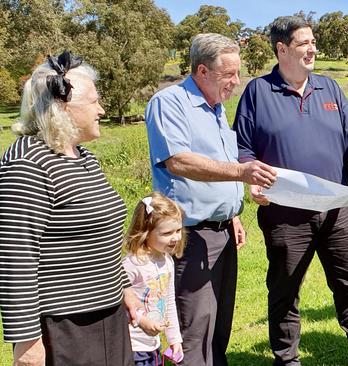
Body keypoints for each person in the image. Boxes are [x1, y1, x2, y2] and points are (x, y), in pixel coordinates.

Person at [232, 16, 348, 366]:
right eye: (304, 43)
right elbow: (244, 150)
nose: (312, 49)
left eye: (313, 42)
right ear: (282, 49)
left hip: (337, 210)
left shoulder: (330, 88)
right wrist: (253, 184)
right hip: (284, 213)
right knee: (285, 288)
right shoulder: (257, 93)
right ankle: (287, 358)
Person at [144, 33, 277, 366]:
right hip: (190, 235)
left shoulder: (216, 109)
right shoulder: (169, 102)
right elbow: (178, 161)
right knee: (193, 328)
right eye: (228, 74)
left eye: (237, 73)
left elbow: (217, 168)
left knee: (218, 324)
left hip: (222, 233)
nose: (236, 82)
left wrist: (232, 212)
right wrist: (241, 173)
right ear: (202, 71)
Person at [0, 51, 138, 365]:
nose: (102, 109)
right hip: (64, 326)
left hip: (109, 314)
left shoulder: (85, 159)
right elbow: (15, 258)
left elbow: (100, 237)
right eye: (94, 101)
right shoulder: (26, 163)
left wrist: (124, 288)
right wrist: (27, 343)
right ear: (63, 105)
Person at [123, 192, 186, 366]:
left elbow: (169, 302)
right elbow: (119, 303)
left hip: (153, 344)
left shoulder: (167, 260)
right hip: (133, 346)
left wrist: (174, 338)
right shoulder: (132, 264)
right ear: (145, 232)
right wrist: (142, 320)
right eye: (167, 233)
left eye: (178, 230)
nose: (176, 238)